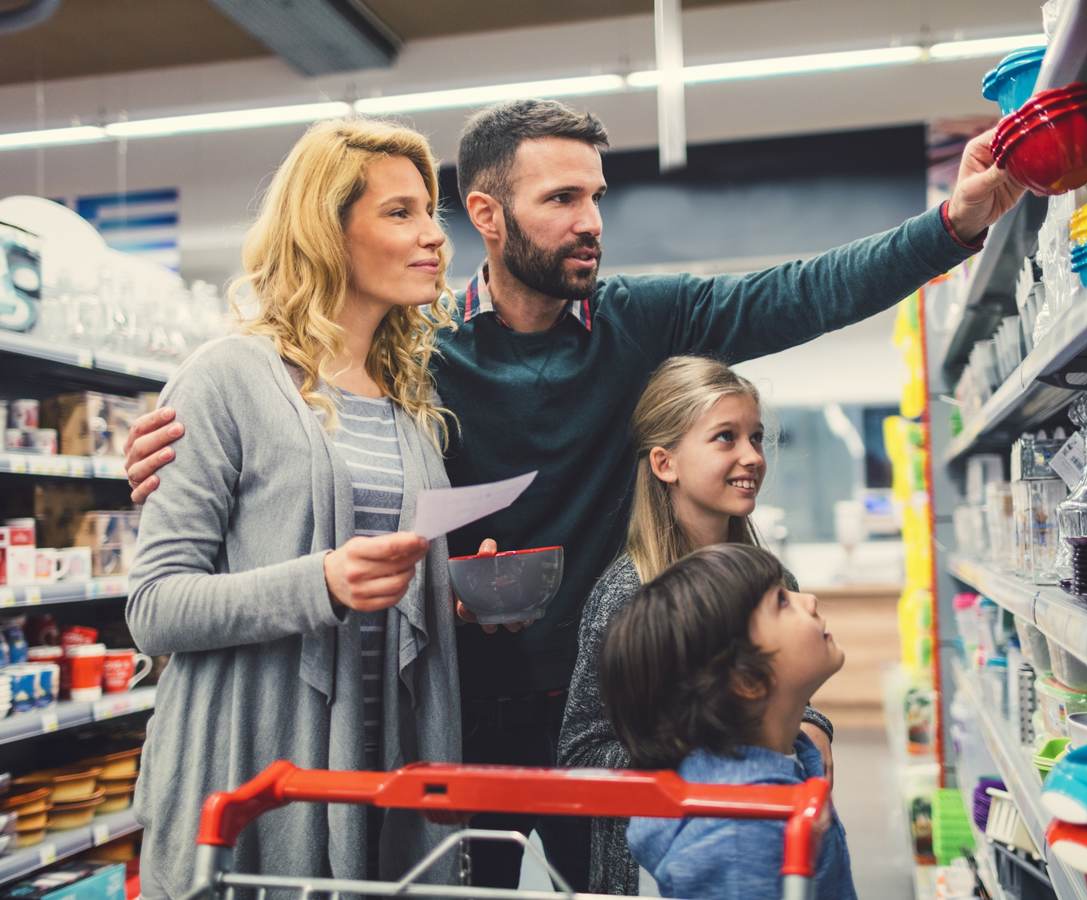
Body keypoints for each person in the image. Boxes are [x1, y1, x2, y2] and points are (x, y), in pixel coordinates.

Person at [123, 99, 1021, 890]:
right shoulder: (414, 350)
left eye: (596, 196)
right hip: (439, 701)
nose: (592, 221)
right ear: (488, 214)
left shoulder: (640, 320)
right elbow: (290, 412)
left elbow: (798, 294)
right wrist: (180, 453)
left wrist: (953, 222)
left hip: (602, 703)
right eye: (561, 200)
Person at [125, 118, 472, 898]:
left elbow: (380, 588)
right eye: (400, 212)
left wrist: (450, 595)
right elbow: (153, 608)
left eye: (432, 214)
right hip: (252, 772)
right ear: (326, 229)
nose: (433, 236)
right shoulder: (226, 379)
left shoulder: (409, 408)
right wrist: (321, 583)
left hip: (382, 778)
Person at [558, 355, 833, 894]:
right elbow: (582, 754)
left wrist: (815, 723)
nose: (752, 456)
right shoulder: (628, 594)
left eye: (756, 437)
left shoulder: (775, 579)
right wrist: (710, 746)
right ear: (665, 463)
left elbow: (780, 689)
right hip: (655, 867)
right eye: (725, 438)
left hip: (772, 845)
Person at [602, 543, 855, 900]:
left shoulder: (784, 761)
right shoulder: (740, 836)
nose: (809, 600)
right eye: (781, 601)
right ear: (747, 682)